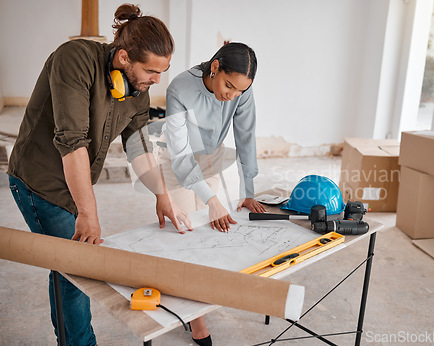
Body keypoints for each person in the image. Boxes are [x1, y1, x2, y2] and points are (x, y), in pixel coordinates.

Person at [7, 4, 193, 345]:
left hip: (76, 183)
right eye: (152, 71)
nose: (157, 80)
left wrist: (163, 197)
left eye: (162, 72)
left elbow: (138, 147)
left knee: (72, 267)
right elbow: (72, 141)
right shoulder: (74, 59)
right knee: (76, 271)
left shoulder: (137, 89)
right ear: (123, 57)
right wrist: (88, 213)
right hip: (40, 180)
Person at [162, 42, 267, 235]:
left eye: (240, 91)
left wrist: (247, 190)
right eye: (229, 86)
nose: (233, 96)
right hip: (178, 161)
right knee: (184, 229)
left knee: (206, 229)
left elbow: (245, 135)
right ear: (215, 67)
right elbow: (180, 154)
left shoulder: (241, 90)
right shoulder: (179, 89)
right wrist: (213, 200)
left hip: (212, 159)